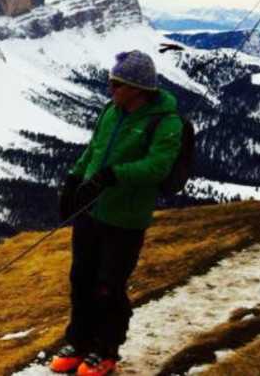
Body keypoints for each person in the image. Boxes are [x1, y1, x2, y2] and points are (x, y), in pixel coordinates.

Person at [50, 50, 183, 376]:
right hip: (91, 212)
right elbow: (93, 149)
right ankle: (78, 341)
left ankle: (106, 349)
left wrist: (113, 175)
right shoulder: (111, 111)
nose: (111, 90)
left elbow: (158, 167)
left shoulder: (166, 122)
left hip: (126, 219)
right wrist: (74, 178)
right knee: (81, 279)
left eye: (116, 84)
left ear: (138, 89)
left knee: (108, 285)